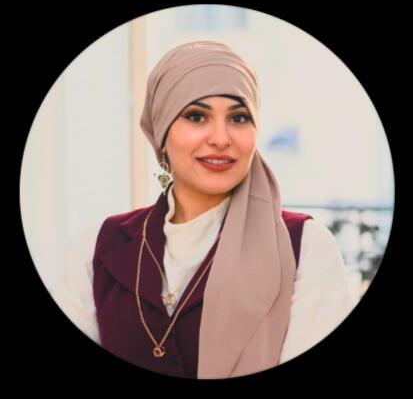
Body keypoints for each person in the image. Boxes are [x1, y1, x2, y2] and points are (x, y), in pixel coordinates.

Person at [51, 41, 356, 379]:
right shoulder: (96, 247)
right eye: (196, 116)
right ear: (161, 132)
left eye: (239, 118)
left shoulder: (307, 248)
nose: (221, 138)